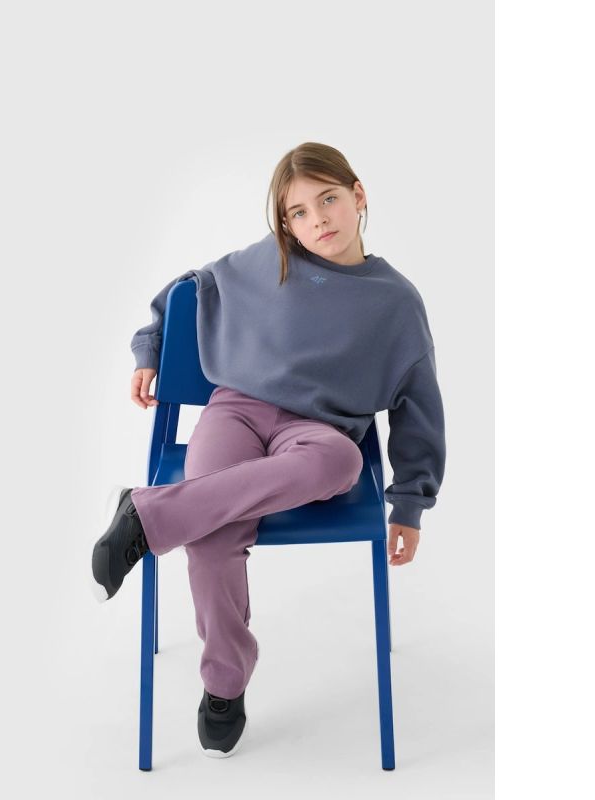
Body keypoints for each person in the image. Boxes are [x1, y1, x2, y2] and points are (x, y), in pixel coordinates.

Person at [90, 141, 446, 758]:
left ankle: (146, 514)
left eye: (328, 200)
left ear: (358, 195)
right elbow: (190, 288)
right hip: (236, 410)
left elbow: (419, 405)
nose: (318, 220)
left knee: (340, 462)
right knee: (213, 530)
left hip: (318, 433)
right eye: (299, 212)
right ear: (286, 223)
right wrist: (149, 347)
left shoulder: (395, 302)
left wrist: (410, 503)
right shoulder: (269, 261)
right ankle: (224, 685)